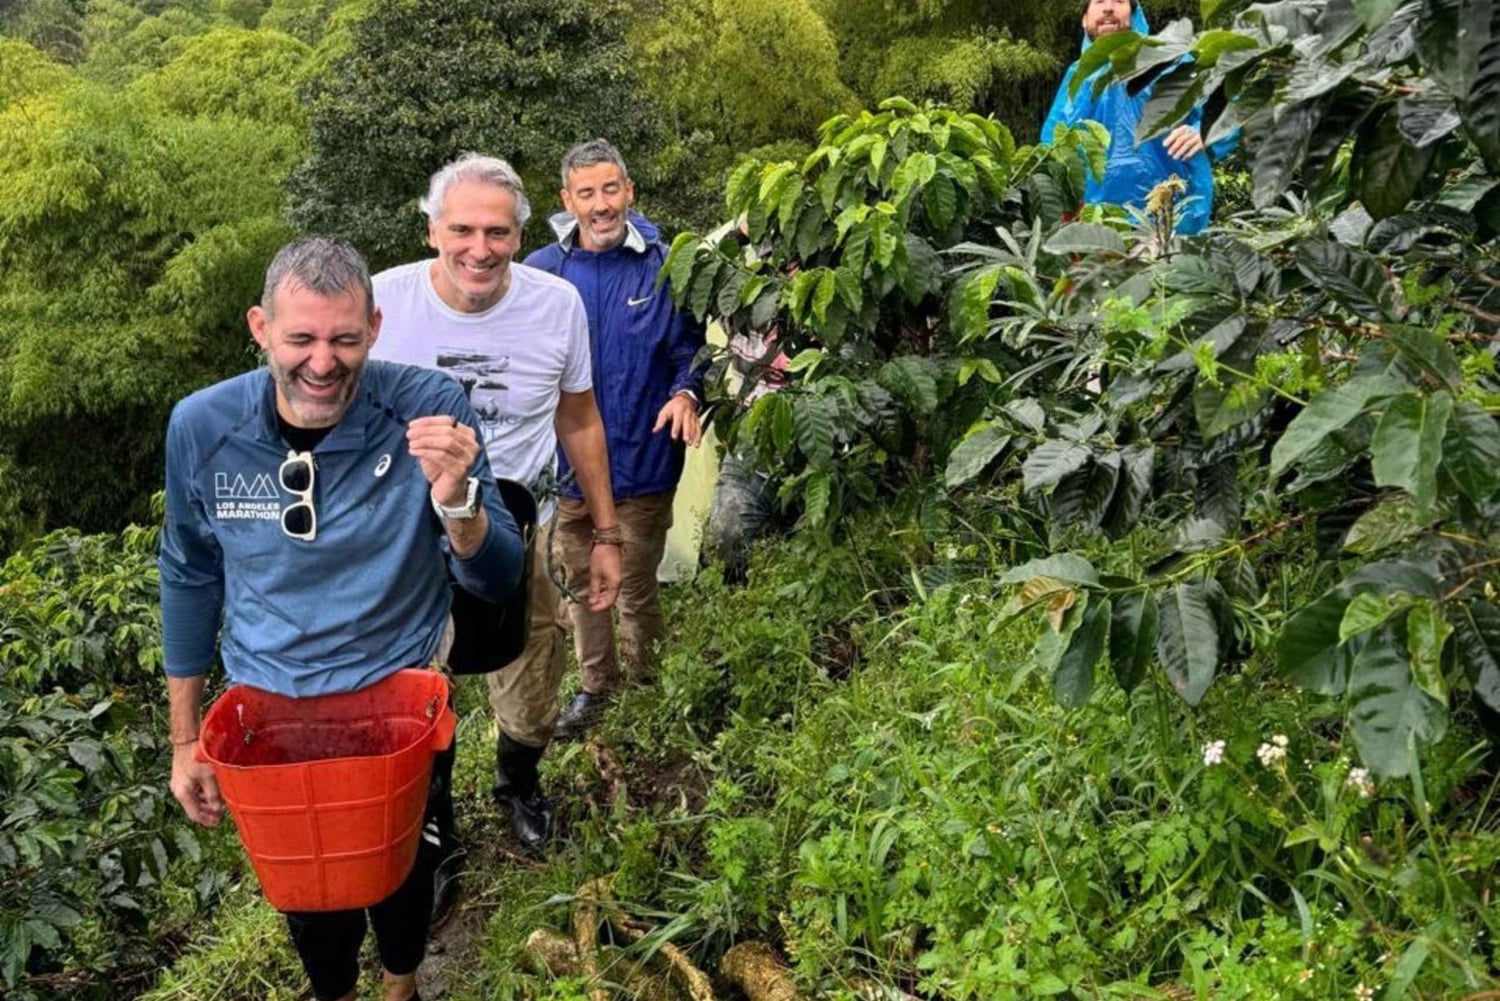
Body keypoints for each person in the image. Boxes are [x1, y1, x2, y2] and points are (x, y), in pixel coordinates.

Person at [160, 236, 525, 1001]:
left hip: (399, 687)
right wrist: (187, 739)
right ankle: (336, 991)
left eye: (345, 339)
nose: (322, 362)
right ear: (260, 327)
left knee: (404, 861)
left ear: (376, 329)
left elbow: (499, 576)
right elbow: (191, 573)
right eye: (301, 338)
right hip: (272, 696)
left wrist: (457, 500)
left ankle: (402, 984)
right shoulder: (203, 426)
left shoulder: (429, 407)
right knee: (305, 889)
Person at [371, 153, 622, 864]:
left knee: (533, 664)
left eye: (498, 232)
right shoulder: (382, 305)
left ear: (520, 233)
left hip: (519, 517)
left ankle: (516, 783)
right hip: (410, 530)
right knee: (418, 682)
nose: (479, 249)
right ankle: (435, 822)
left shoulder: (555, 304)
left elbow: (579, 419)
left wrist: (606, 532)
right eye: (463, 230)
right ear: (431, 231)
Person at [525, 139, 707, 740]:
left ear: (629, 191)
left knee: (632, 584)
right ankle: (597, 689)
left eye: (610, 189)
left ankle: (649, 687)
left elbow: (691, 347)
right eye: (587, 193)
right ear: (567, 200)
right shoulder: (544, 272)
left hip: (644, 459)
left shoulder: (665, 264)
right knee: (582, 584)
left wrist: (686, 393)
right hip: (570, 467)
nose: (601, 205)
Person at [1041, 0, 1216, 235]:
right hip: (1093, 223)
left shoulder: (1168, 63)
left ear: (1134, 15)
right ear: (1084, 19)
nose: (1109, 7)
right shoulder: (1078, 76)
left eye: (1119, 1)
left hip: (1172, 217)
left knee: (1166, 271)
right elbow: (1053, 143)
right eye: (1099, 1)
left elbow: (1226, 110)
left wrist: (1203, 130)